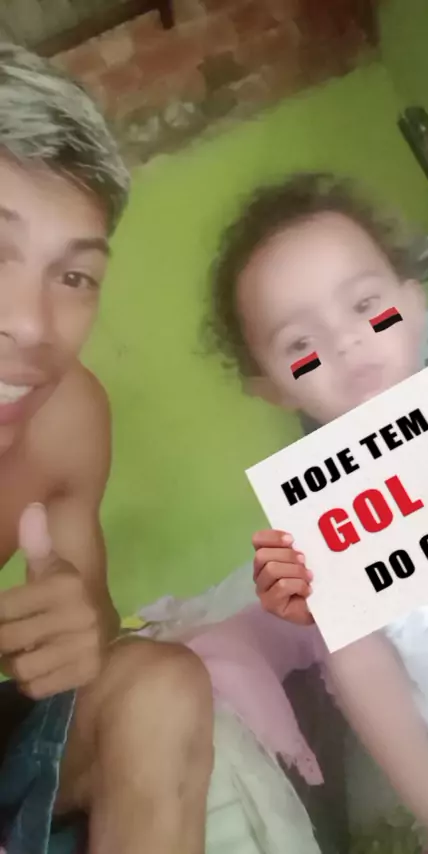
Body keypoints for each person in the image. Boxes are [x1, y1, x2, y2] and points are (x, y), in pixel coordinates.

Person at [205, 172, 428, 853]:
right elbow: (363, 671)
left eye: (365, 305)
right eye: (300, 345)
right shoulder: (324, 517)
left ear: (412, 301)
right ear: (271, 387)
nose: (345, 341)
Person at [0, 43, 213, 854]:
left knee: (160, 688)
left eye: (74, 277)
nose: (32, 324)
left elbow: (90, 627)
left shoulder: (70, 419)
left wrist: (63, 625)